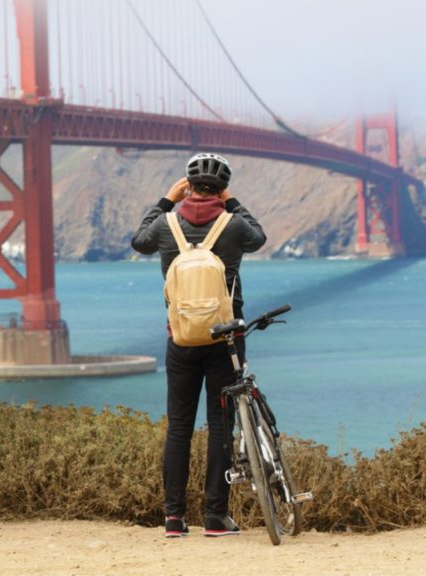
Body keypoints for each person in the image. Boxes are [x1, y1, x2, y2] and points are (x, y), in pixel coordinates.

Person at [130, 153, 266, 538]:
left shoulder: (164, 225)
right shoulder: (234, 225)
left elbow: (138, 241)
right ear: (221, 188)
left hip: (181, 338)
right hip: (226, 339)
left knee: (179, 428)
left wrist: (166, 200)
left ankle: (174, 519)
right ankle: (215, 517)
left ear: (188, 186)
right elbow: (259, 237)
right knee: (221, 426)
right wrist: (233, 200)